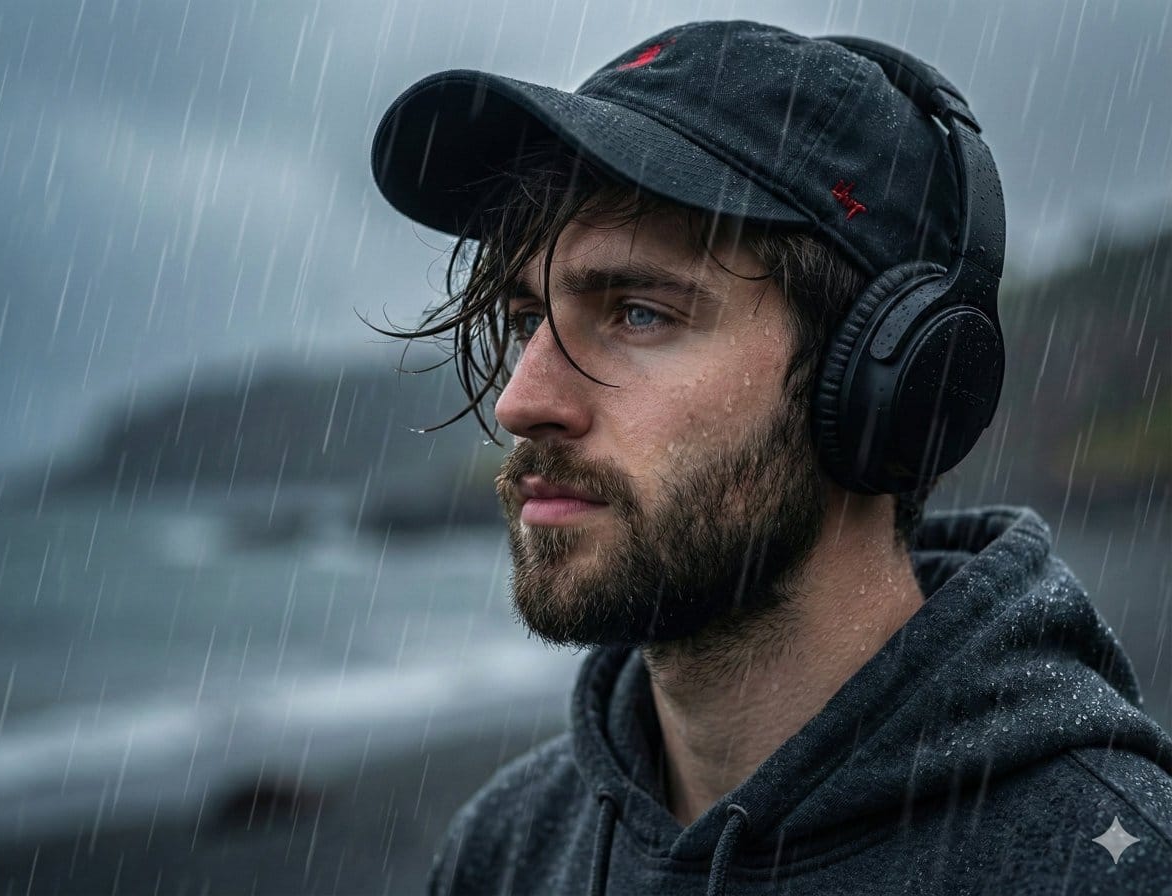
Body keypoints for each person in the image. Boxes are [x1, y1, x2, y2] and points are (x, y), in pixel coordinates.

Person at [370, 21, 1172, 895]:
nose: (521, 402)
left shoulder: (1112, 864)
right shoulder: (503, 851)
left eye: (639, 312)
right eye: (529, 321)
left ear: (886, 385)